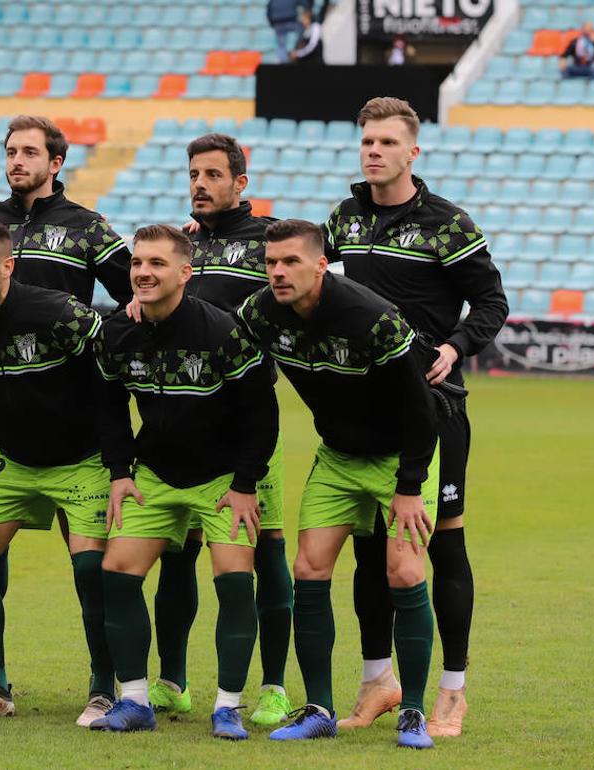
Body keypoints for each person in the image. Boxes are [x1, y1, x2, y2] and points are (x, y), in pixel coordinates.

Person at [323, 96, 508, 738]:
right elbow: (309, 279)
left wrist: (455, 347)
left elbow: (491, 301)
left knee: (444, 544)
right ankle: (378, 682)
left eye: (386, 142)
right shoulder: (343, 219)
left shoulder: (447, 225)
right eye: (366, 141)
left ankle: (452, 692)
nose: (374, 151)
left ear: (412, 151)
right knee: (369, 553)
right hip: (360, 413)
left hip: (432, 408)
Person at [0, 115, 133, 713]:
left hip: (75, 414)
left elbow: (134, 291)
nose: (17, 160)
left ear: (55, 162)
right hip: (3, 417)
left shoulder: (86, 226)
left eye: (29, 152)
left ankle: (105, 687)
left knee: (89, 567)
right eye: (10, 151)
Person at [238, 219, 439, 750]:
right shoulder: (259, 313)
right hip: (337, 458)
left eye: (291, 262)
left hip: (401, 458)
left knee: (403, 571)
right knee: (308, 568)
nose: (278, 272)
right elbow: (216, 337)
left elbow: (421, 407)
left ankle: (413, 712)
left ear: (321, 264)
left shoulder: (371, 316)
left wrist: (410, 486)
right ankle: (320, 710)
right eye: (271, 263)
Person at [91, 224, 279, 737]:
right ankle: (134, 701)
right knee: (117, 573)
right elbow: (108, 406)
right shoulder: (117, 332)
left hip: (223, 479)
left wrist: (245, 484)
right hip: (155, 474)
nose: (143, 272)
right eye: (137, 263)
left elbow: (261, 414)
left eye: (156, 263)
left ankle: (227, 708)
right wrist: (119, 473)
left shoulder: (222, 331)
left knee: (234, 581)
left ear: (184, 273)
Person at [136, 133, 295, 725]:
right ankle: (172, 681)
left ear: (240, 183)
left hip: (246, 431)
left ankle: (274, 686)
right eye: (193, 174)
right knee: (176, 558)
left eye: (213, 174)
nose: (200, 184)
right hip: (179, 430)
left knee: (267, 555)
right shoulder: (181, 245)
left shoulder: (268, 242)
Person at [0, 219, 114, 725]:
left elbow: (113, 363)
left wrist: (119, 458)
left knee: (90, 569)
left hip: (82, 461)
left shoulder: (59, 313)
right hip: (15, 463)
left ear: (7, 266)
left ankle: (103, 689)